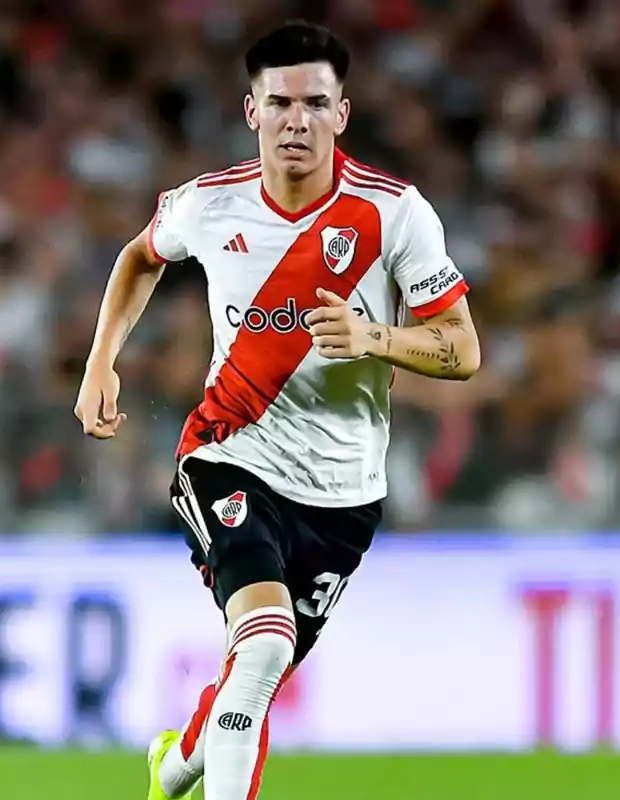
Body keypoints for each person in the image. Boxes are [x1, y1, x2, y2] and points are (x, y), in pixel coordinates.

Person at [74, 21, 481, 800]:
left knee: (252, 676)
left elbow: (462, 350)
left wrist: (374, 337)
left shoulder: (393, 216)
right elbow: (138, 258)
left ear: (344, 113)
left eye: (316, 104)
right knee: (261, 650)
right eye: (282, 103)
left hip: (343, 496)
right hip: (230, 452)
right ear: (252, 111)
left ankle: (174, 766)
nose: (299, 120)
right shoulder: (210, 205)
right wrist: (102, 361)